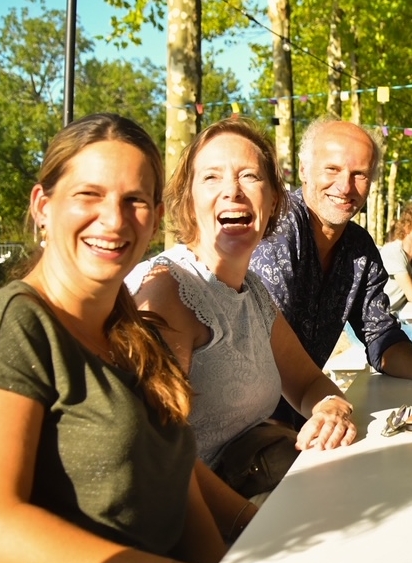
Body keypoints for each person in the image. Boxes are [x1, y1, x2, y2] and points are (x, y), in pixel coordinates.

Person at [0, 114, 223, 563]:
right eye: (89, 195)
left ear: (156, 218)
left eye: (134, 200)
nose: (114, 219)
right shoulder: (5, 331)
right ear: (43, 205)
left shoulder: (140, 339)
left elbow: (181, 486)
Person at [127, 118, 356, 500]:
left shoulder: (252, 292)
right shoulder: (168, 289)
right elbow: (156, 459)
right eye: (212, 177)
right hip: (195, 524)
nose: (232, 191)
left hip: (258, 498)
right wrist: (246, 523)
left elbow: (308, 383)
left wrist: (333, 409)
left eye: (249, 176)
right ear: (187, 200)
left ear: (273, 201)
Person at [247, 119, 412, 397]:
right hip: (248, 418)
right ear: (303, 169)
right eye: (332, 169)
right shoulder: (281, 227)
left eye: (359, 174)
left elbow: (380, 336)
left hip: (303, 412)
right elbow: (265, 342)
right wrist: (318, 407)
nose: (345, 187)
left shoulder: (359, 247)